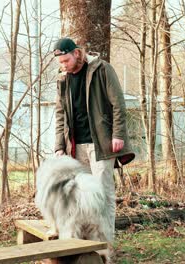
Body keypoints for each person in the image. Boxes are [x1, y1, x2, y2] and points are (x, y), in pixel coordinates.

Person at [53, 37, 135, 245]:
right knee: (81, 196)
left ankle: (105, 247)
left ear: (77, 54)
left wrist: (118, 135)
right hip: (75, 147)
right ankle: (86, 246)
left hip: (101, 144)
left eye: (66, 61)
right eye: (60, 63)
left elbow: (118, 104)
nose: (63, 66)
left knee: (103, 195)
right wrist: (59, 146)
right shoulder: (63, 79)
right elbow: (60, 114)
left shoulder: (102, 69)